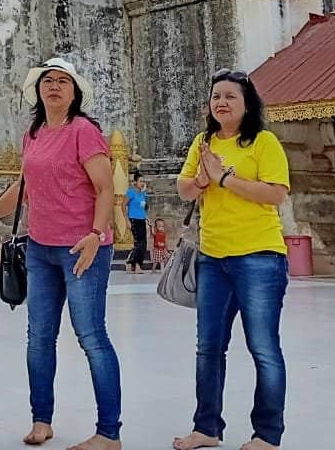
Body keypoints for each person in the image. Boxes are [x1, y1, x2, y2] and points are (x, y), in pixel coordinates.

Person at [0, 57, 122, 450]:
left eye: (63, 82)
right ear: (38, 91)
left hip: (82, 249)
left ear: (75, 92)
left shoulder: (84, 132)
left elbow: (105, 188)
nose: (54, 87)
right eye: (47, 81)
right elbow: (24, 188)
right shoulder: (34, 133)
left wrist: (96, 233)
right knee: (39, 337)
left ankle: (109, 432)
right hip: (40, 249)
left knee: (91, 336)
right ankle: (42, 420)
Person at [172, 68, 291, 450]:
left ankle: (267, 434)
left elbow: (275, 194)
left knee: (264, 348)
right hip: (213, 257)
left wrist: (224, 179)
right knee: (208, 346)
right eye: (216, 96)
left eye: (230, 97)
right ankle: (207, 427)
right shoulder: (203, 142)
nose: (221, 103)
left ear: (246, 103)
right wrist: (202, 181)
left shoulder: (263, 142)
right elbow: (184, 187)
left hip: (259, 257)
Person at [124, 171, 149, 273]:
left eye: (143, 181)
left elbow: (145, 207)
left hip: (142, 219)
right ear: (135, 182)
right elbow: (123, 205)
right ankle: (129, 262)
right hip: (133, 219)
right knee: (138, 243)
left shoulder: (143, 194)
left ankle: (138, 265)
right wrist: (126, 220)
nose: (142, 183)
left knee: (144, 244)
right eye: (140, 181)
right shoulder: (131, 192)